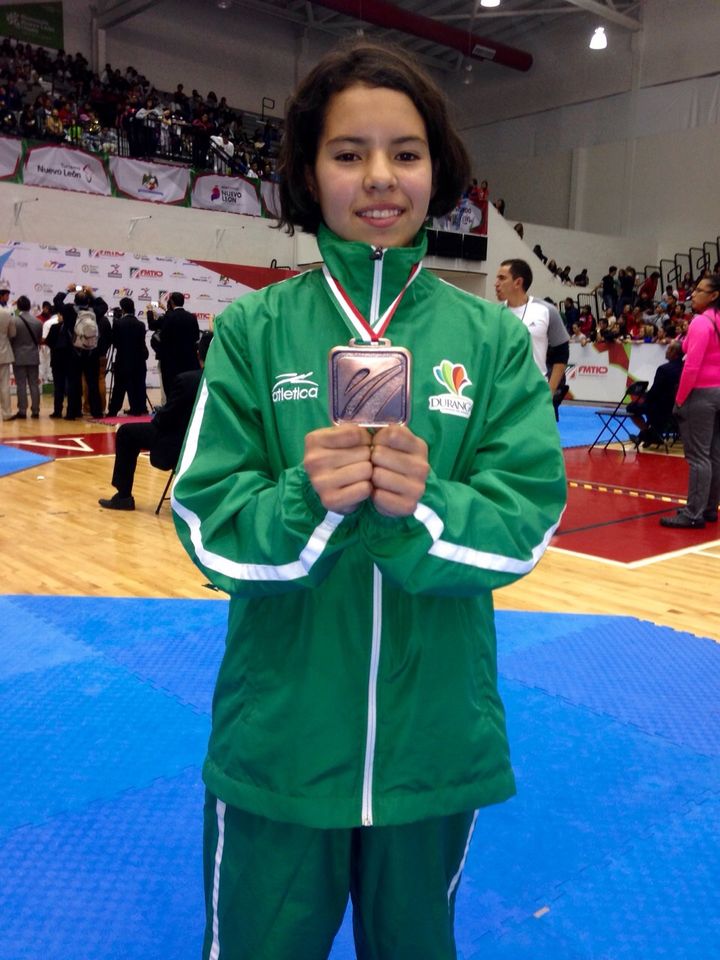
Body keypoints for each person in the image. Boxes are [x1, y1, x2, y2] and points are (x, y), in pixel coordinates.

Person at [171, 42, 566, 960]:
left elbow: (527, 519)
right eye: (349, 153)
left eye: (406, 152)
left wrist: (425, 509)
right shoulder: (255, 329)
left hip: (435, 740)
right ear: (310, 172)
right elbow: (205, 519)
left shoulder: (490, 340)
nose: (380, 176)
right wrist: (304, 502)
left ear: (439, 169)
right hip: (281, 739)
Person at [99, 332, 212, 511]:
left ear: (198, 354)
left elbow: (166, 418)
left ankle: (123, 496)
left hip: (179, 445)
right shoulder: (228, 383)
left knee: (126, 433)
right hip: (212, 446)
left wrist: (158, 417)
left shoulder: (187, 380)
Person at [660, 275, 720, 529]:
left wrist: (680, 399)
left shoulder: (700, 322)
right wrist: (682, 343)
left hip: (701, 393)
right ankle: (708, 508)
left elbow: (692, 366)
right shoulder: (715, 320)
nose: (693, 294)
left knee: (698, 457)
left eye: (699, 291)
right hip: (718, 391)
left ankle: (693, 513)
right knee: (714, 454)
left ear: (713, 295)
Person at [495, 258, 570, 397]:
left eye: (502, 278)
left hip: (535, 393)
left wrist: (550, 391)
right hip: (501, 393)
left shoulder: (546, 311)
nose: (496, 283)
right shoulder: (495, 314)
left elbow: (562, 353)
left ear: (518, 282)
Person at [627, 341, 684, 447]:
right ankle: (648, 434)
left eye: (668, 349)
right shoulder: (685, 368)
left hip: (661, 408)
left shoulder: (663, 369)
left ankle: (648, 434)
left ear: (674, 352)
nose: (666, 351)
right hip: (679, 406)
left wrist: (644, 397)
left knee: (631, 407)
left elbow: (654, 392)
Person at [147, 292, 200, 396]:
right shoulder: (192, 317)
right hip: (188, 360)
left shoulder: (168, 317)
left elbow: (152, 326)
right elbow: (196, 337)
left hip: (170, 362)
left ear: (171, 302)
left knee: (170, 390)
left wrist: (149, 311)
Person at [107, 297, 148, 416]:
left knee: (119, 387)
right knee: (137, 386)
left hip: (122, 360)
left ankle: (113, 410)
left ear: (123, 309)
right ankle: (137, 408)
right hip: (138, 361)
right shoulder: (141, 324)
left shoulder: (118, 323)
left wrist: (115, 320)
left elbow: (114, 343)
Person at [8, 295, 42, 419]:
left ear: (18, 307)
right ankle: (36, 410)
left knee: (21, 385)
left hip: (18, 356)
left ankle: (22, 410)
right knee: (34, 384)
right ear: (29, 306)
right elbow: (38, 339)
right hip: (33, 356)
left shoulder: (14, 321)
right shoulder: (38, 322)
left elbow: (11, 338)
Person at [0, 286, 16, 421]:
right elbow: (13, 334)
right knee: (4, 385)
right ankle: (6, 413)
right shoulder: (6, 313)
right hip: (3, 351)